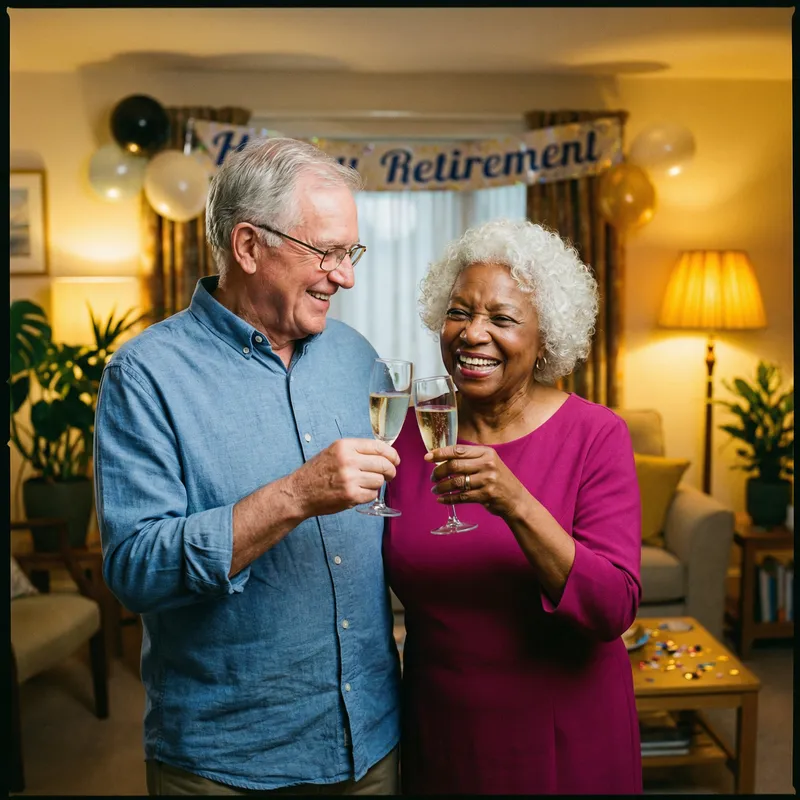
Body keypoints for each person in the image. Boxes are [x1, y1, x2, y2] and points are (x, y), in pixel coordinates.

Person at [94, 137, 402, 795]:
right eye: (326, 253)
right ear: (248, 247)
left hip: (372, 743)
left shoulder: (356, 356)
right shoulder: (145, 376)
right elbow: (134, 572)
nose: (345, 277)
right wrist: (295, 494)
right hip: (226, 763)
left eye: (351, 253)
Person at [384, 218, 642, 795]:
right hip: (440, 725)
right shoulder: (409, 433)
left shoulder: (596, 435)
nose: (472, 334)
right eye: (459, 312)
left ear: (546, 336)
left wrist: (516, 501)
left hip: (563, 727)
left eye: (501, 319)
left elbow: (613, 608)